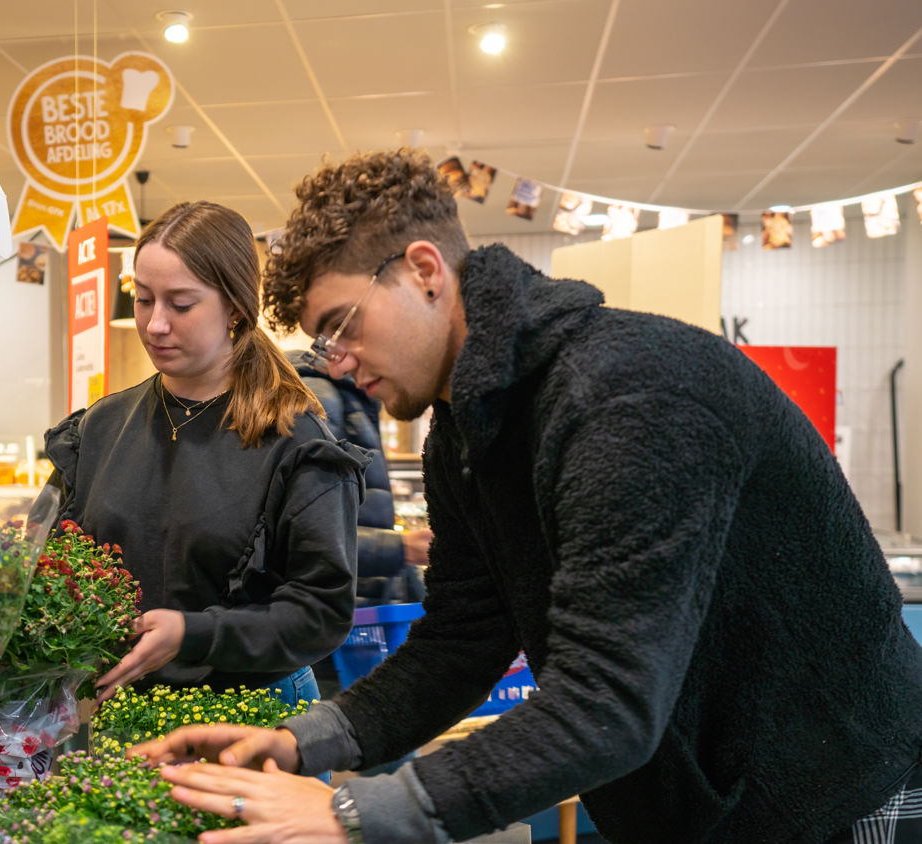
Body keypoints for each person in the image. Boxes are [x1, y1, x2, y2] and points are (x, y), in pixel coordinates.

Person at [130, 149, 922, 844]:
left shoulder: (629, 394)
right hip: (696, 807)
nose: (335, 362)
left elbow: (606, 700)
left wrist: (351, 815)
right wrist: (306, 743)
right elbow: (462, 643)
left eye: (342, 325)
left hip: (842, 793)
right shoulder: (465, 433)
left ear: (424, 271)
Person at [44, 200, 366, 708]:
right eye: (144, 299)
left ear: (235, 306)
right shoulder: (101, 427)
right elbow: (54, 565)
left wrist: (192, 634)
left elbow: (320, 615)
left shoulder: (297, 442)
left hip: (256, 720)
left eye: (181, 303)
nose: (154, 324)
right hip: (117, 713)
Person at [286, 349, 430, 608]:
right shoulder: (318, 399)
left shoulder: (355, 399)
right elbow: (303, 534)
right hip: (336, 621)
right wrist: (402, 549)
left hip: (360, 611)